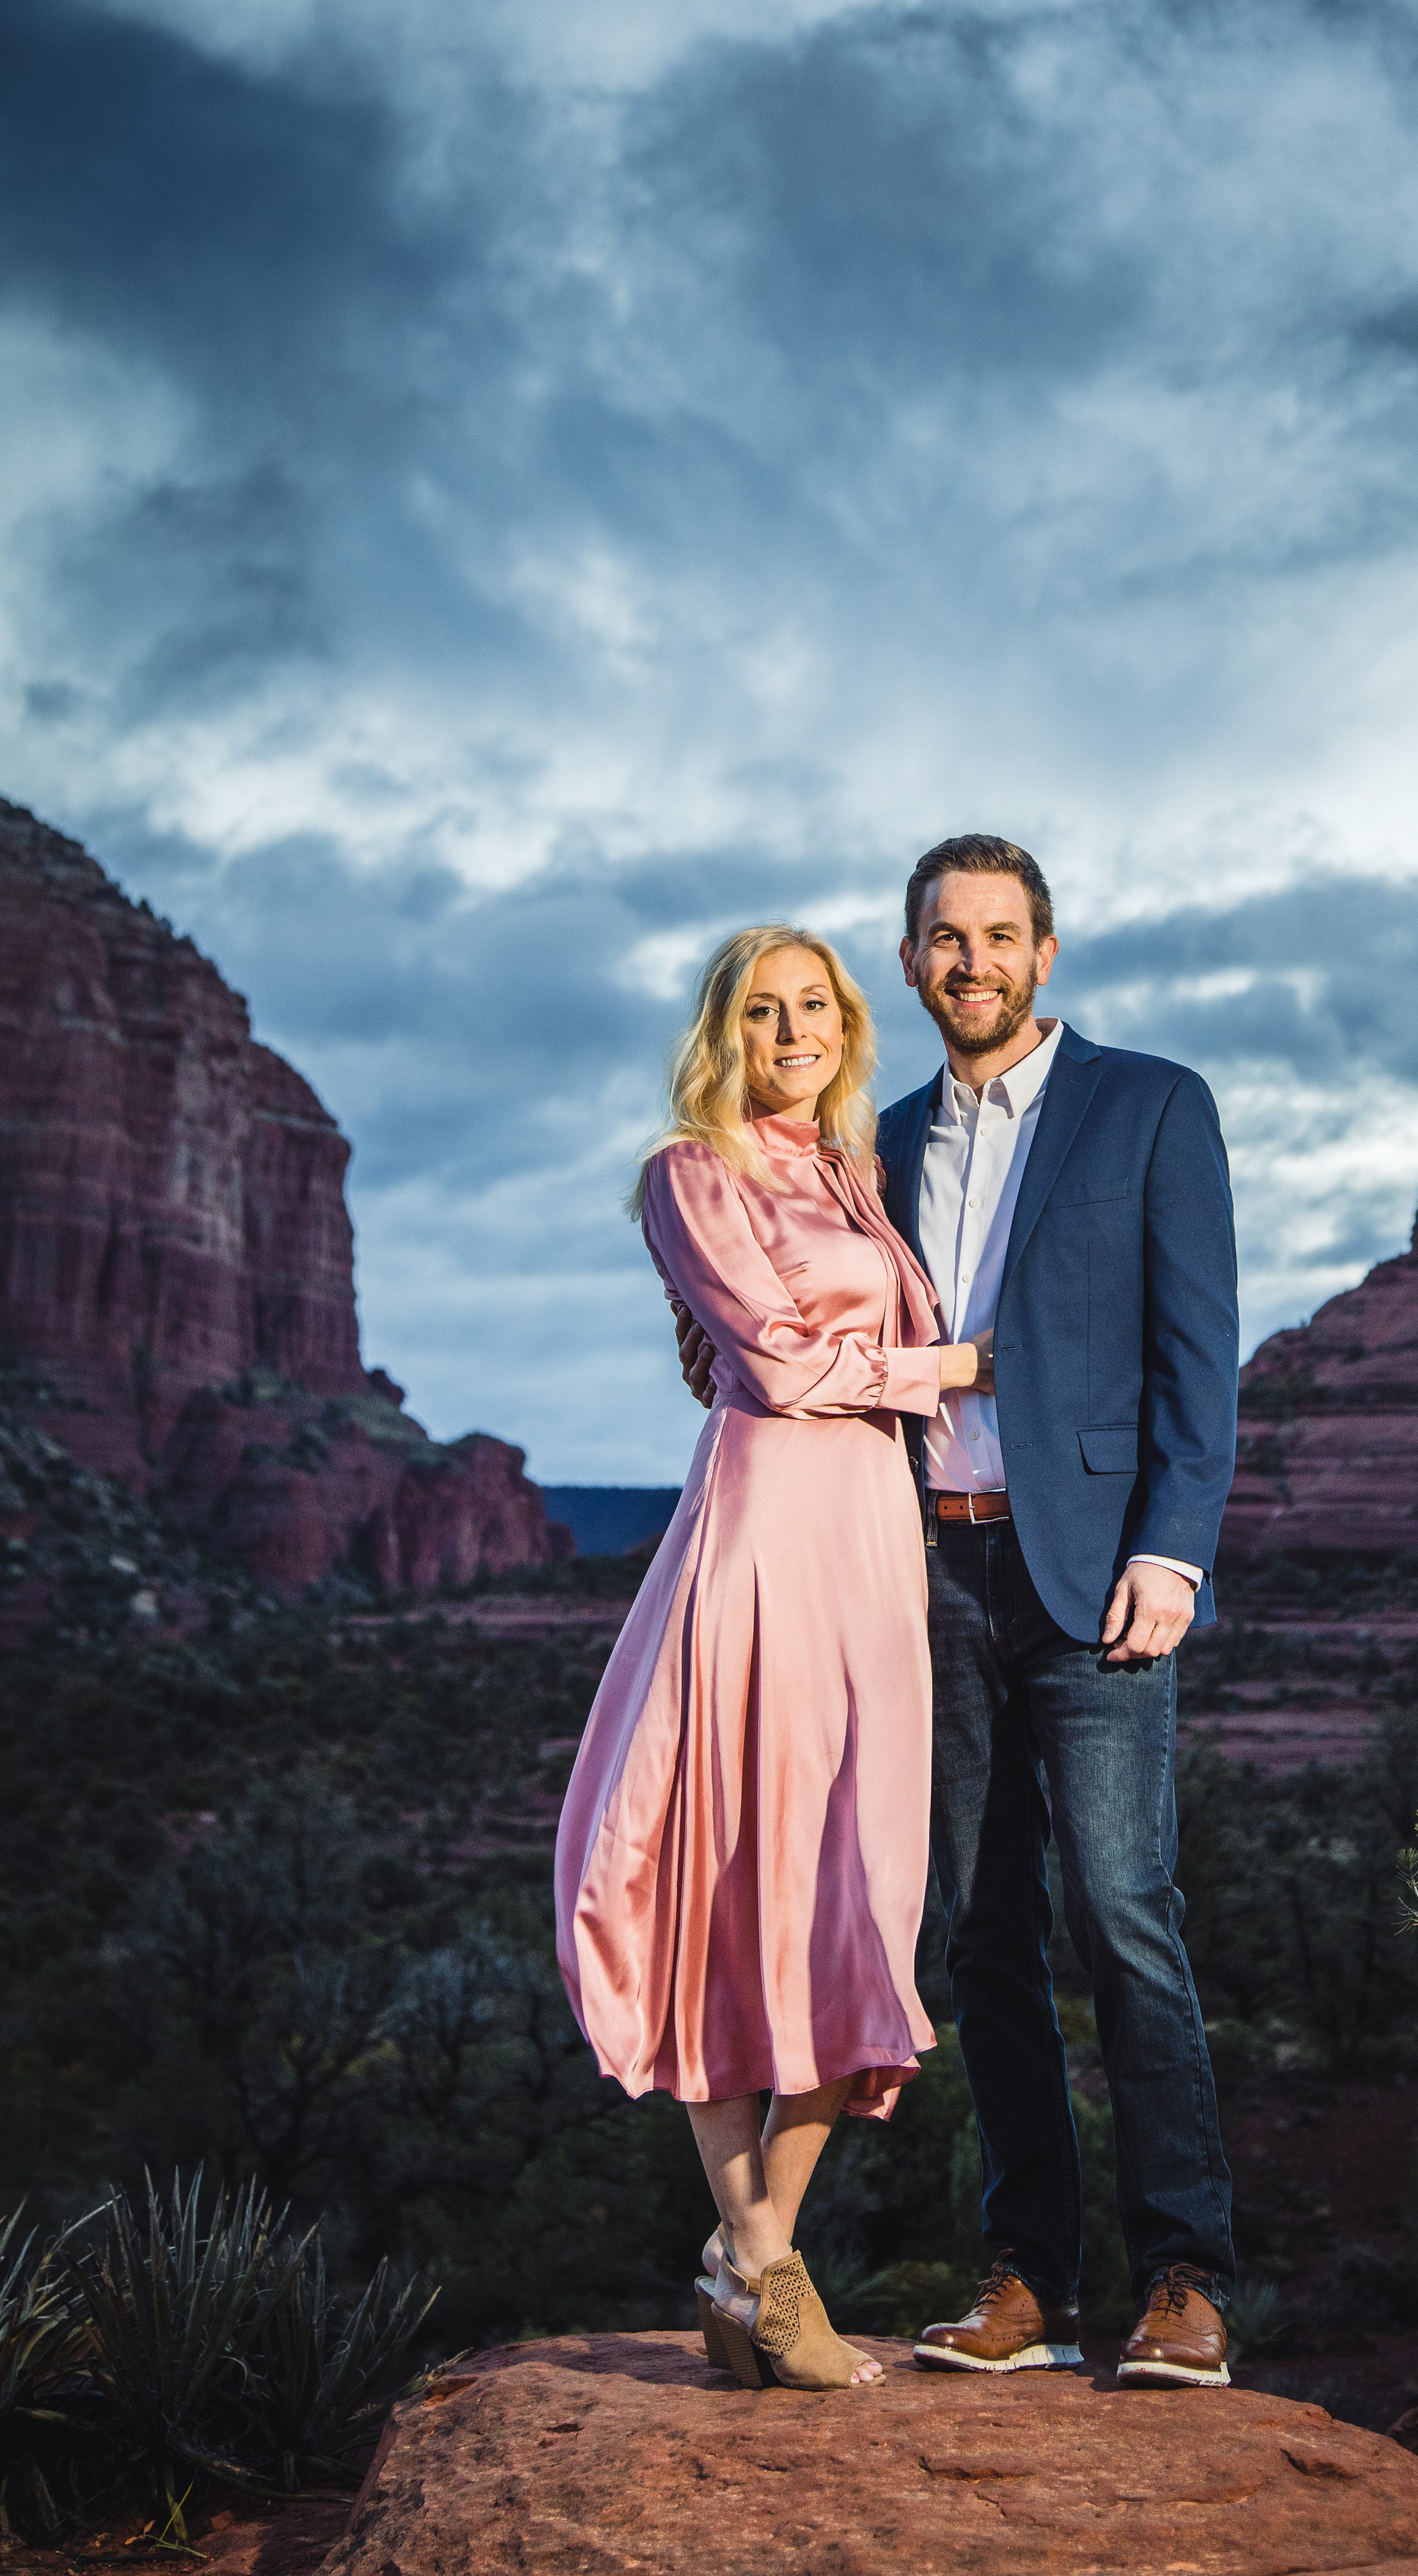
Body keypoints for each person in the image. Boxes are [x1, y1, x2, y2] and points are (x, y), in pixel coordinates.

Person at [678, 837, 1240, 2387]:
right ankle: (1028, 2281)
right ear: (912, 961)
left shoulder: (1151, 1106)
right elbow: (792, 1309)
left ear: (1044, 953)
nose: (973, 961)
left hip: (1092, 1576)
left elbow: (1201, 1353)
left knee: (1124, 1914)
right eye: (945, 938)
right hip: (916, 1572)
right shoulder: (878, 1140)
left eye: (1001, 936)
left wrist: (1173, 1550)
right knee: (979, 1937)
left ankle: (1185, 2275)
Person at [553, 923, 992, 2392]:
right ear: (723, 1032)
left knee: (858, 1898)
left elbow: (825, 1354)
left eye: (815, 1005)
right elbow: (784, 1368)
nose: (792, 1028)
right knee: (743, 1883)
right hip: (764, 1538)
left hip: (877, 1544)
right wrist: (958, 1364)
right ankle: (766, 2268)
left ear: (847, 1027)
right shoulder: (694, 1173)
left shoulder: (857, 1177)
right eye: (763, 1009)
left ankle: (750, 2261)